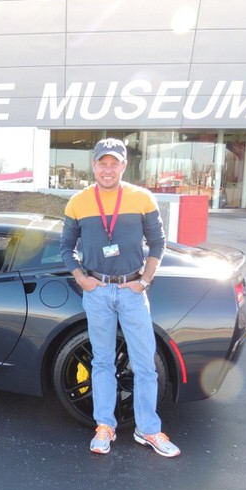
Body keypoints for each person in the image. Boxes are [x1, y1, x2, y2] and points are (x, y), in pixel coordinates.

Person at [59, 138, 180, 458]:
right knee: (101, 362)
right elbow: (66, 247)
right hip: (97, 292)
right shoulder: (78, 202)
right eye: (103, 163)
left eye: (114, 163)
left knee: (144, 364)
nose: (108, 169)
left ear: (124, 166)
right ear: (94, 166)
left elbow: (158, 243)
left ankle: (148, 429)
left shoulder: (142, 198)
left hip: (132, 292)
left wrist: (145, 281)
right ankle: (105, 426)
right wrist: (81, 278)